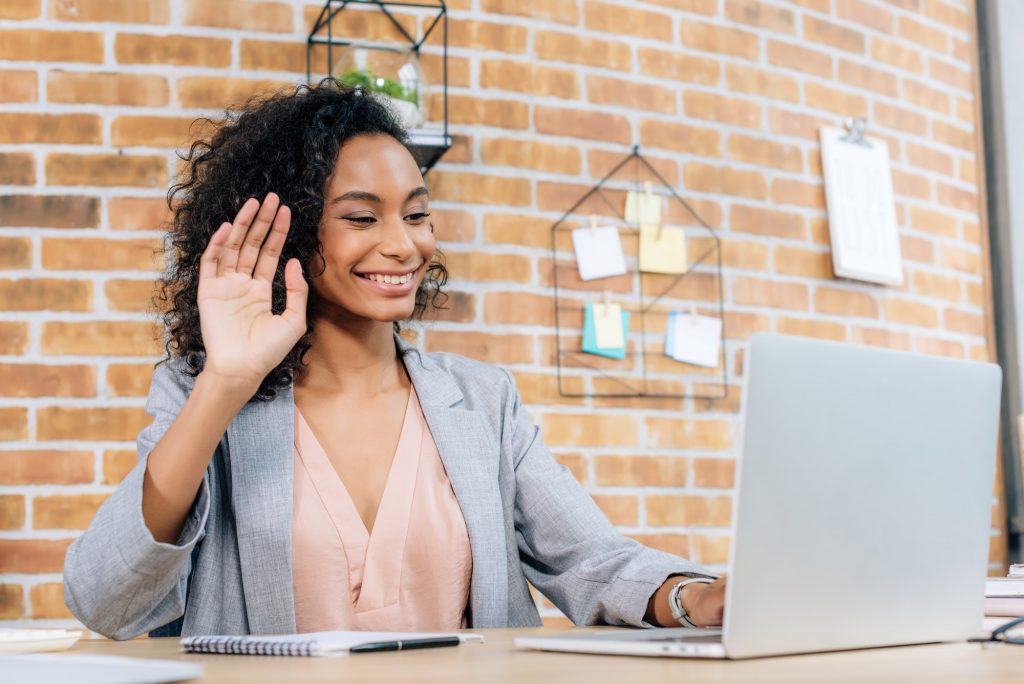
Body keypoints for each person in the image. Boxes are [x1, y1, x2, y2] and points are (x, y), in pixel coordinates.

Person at [62, 82, 727, 640]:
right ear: (291, 229)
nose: (404, 244)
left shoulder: (485, 402)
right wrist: (226, 384)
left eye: (416, 215)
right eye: (362, 218)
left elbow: (593, 560)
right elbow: (103, 600)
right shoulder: (201, 397)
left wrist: (694, 598)